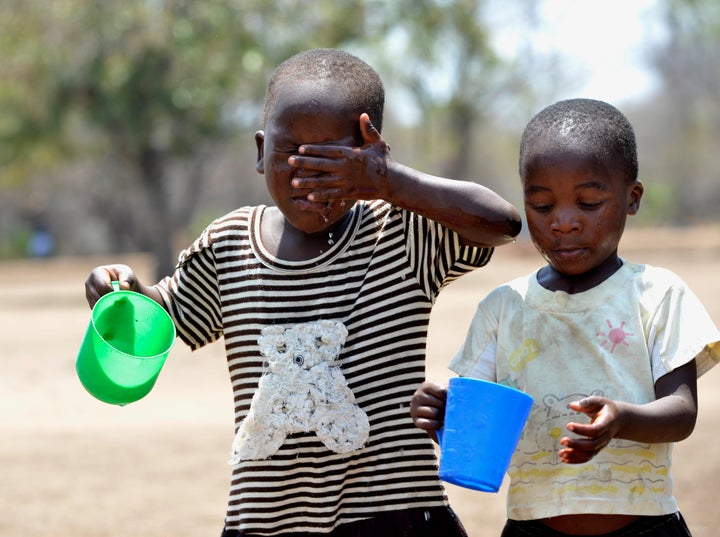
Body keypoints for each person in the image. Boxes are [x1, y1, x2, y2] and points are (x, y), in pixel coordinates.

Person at [84, 48, 522, 537]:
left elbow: (501, 223)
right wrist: (121, 290)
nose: (305, 173)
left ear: (370, 154)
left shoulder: (401, 235)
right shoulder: (230, 244)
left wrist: (390, 182)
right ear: (258, 151)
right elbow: (160, 315)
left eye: (332, 160)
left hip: (393, 514)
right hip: (267, 522)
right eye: (290, 152)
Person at [410, 98, 720, 537]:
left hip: (645, 526)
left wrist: (622, 418)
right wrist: (443, 413)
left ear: (632, 199)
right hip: (531, 527)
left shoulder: (657, 294)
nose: (564, 222)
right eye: (541, 205)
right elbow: (478, 424)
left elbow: (682, 412)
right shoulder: (504, 308)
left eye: (589, 202)